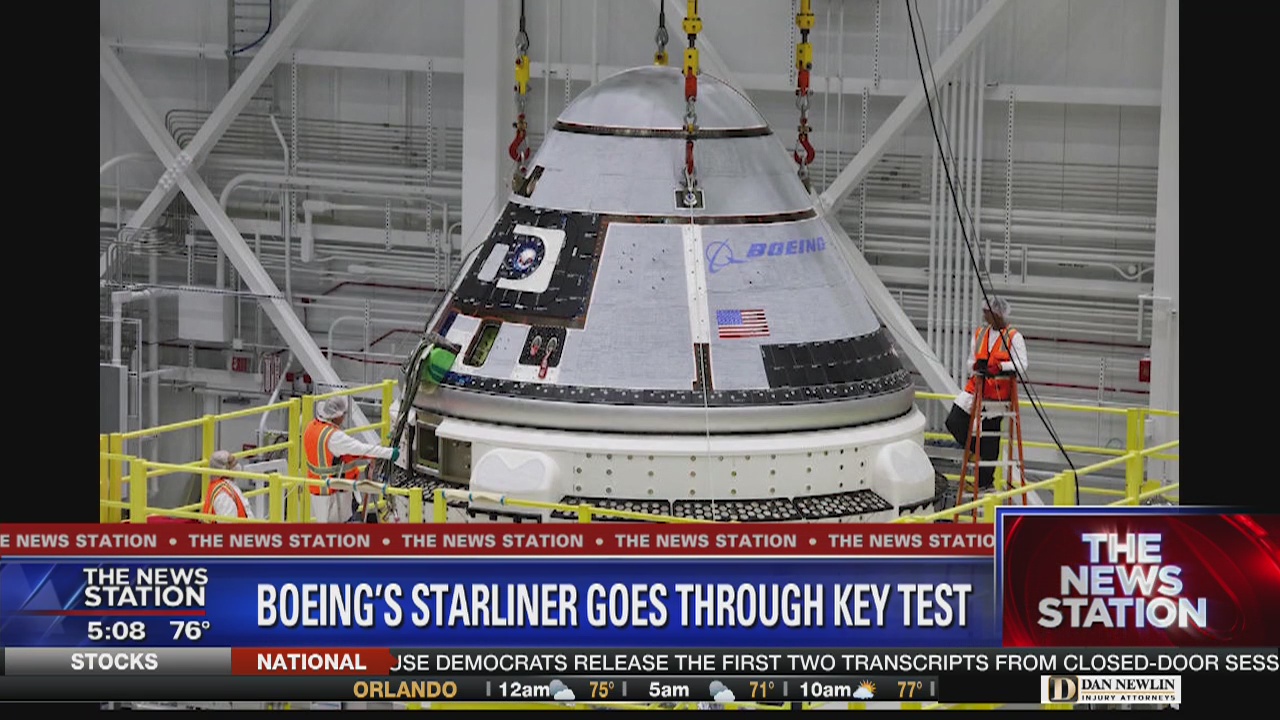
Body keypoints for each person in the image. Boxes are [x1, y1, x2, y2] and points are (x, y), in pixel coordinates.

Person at [946, 296, 1029, 494]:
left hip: (998, 396)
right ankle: (977, 450)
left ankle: (984, 482)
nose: (984, 315)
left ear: (998, 314)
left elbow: (1022, 364)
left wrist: (1001, 366)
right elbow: (970, 360)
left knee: (992, 436)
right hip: (976, 388)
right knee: (954, 421)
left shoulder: (1014, 336)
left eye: (987, 312)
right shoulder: (980, 333)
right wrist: (976, 366)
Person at [303, 395, 399, 523]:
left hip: (317, 488)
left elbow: (333, 455)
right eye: (343, 414)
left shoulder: (312, 427)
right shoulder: (334, 437)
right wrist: (390, 453)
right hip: (334, 492)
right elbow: (361, 448)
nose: (344, 418)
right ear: (337, 416)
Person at [201, 450, 254, 521]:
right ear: (223, 469)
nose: (236, 464)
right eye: (231, 462)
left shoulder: (227, 485)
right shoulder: (223, 494)